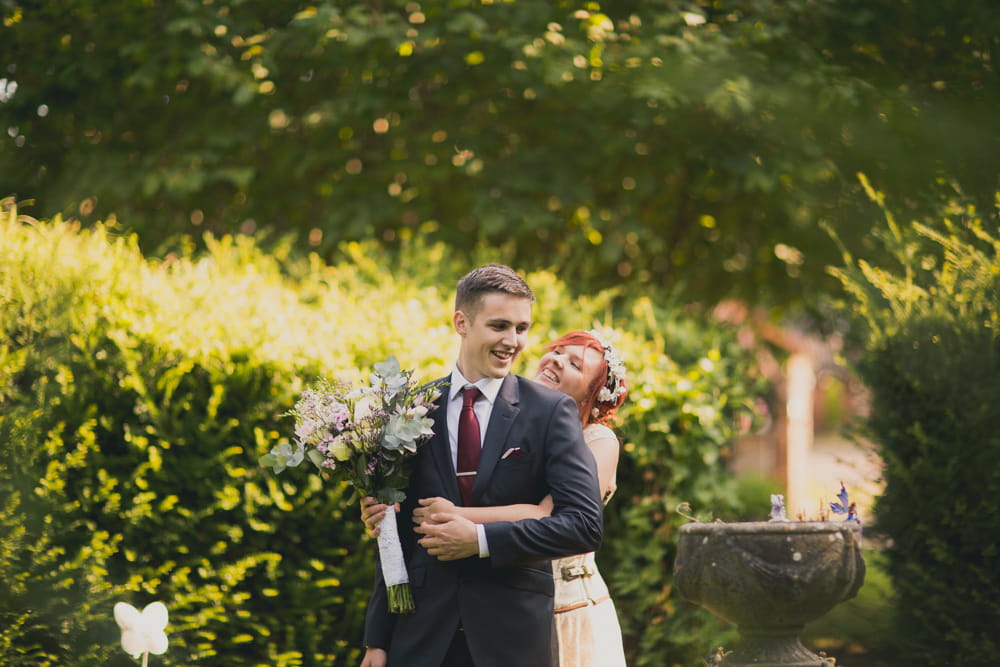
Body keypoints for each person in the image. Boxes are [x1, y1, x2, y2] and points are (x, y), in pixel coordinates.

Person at [360, 264, 605, 667]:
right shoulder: (411, 409)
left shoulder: (549, 412)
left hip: (512, 636)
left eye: (522, 328)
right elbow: (396, 533)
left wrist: (480, 539)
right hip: (420, 636)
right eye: (499, 326)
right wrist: (377, 639)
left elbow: (584, 526)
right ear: (462, 322)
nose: (513, 341)